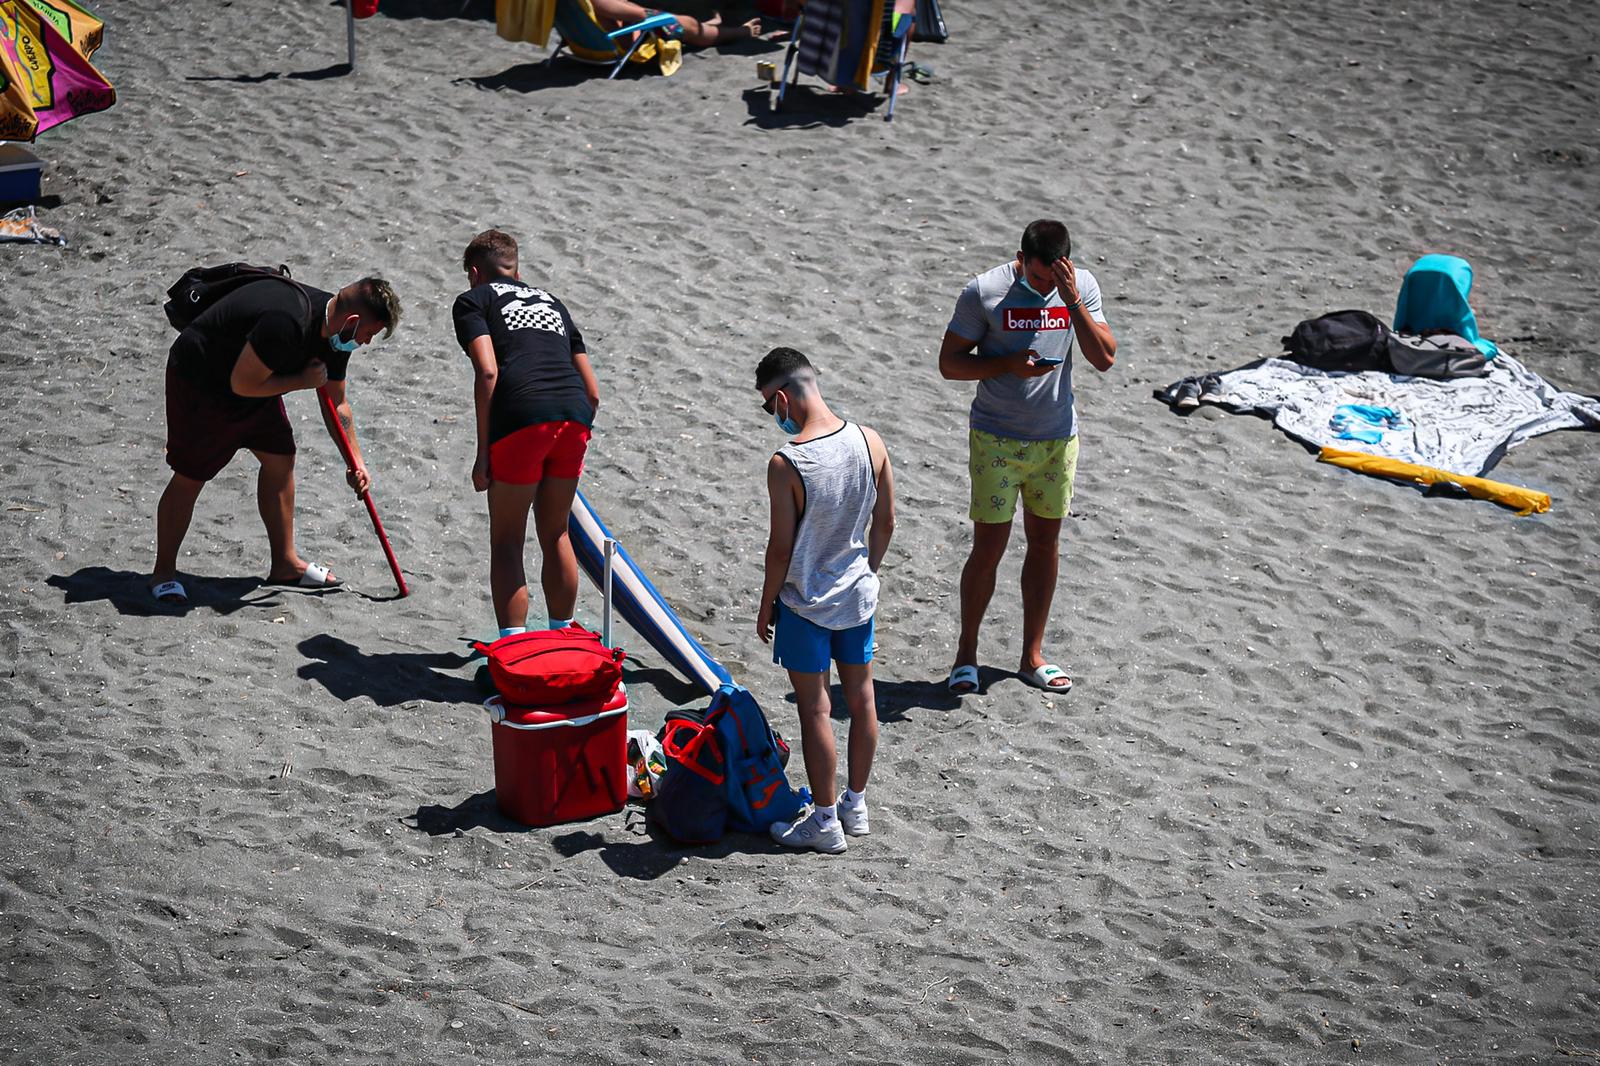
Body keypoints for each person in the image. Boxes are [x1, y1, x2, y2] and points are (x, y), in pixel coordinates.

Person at [939, 219, 1117, 695]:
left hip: (1056, 439)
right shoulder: (985, 291)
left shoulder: (1078, 288)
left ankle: (1031, 656)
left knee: (1045, 544)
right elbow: (950, 363)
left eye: (1052, 278)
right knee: (989, 547)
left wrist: (1072, 298)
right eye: (1037, 279)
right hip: (996, 437)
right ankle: (966, 656)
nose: (1043, 289)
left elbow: (1104, 358)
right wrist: (1005, 364)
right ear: (1021, 259)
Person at [150, 274, 401, 604]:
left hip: (256, 382)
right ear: (354, 321)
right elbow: (242, 384)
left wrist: (356, 463)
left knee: (280, 459)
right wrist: (301, 380)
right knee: (191, 475)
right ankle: (164, 573)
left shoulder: (338, 334)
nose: (365, 342)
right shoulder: (286, 320)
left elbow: (337, 403)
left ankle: (284, 563)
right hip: (202, 378)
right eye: (369, 334)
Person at [756, 347, 895, 854]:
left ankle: (824, 819)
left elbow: (780, 549)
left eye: (769, 406)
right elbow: (886, 523)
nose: (775, 416)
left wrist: (767, 603)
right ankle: (856, 805)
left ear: (783, 396)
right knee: (861, 701)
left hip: (806, 603)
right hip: (856, 596)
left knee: (815, 710)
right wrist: (865, 571)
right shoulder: (869, 440)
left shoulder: (787, 462)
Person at [454, 229, 600, 638]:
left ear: (474, 273)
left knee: (507, 540)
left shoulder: (474, 300)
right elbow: (593, 392)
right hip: (573, 412)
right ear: (517, 269)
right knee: (555, 531)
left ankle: (516, 644)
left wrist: (484, 454)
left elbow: (487, 371)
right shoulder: (554, 303)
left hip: (522, 413)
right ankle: (563, 632)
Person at [589, 0, 759, 47]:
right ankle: (741, 32)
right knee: (688, 25)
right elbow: (643, 15)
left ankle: (710, 24)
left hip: (590, 40)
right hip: (624, 40)